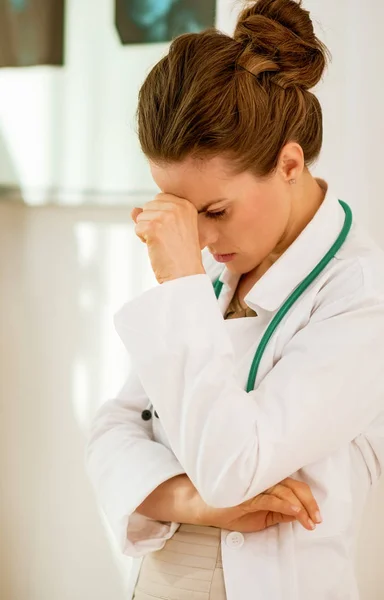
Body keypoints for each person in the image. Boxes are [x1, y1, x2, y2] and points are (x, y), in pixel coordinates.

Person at [85, 1, 384, 598]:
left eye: (214, 212)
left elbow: (232, 465)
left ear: (289, 163)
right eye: (181, 213)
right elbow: (113, 428)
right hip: (162, 576)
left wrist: (178, 285)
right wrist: (190, 501)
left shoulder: (360, 297)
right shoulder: (216, 277)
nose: (198, 240)